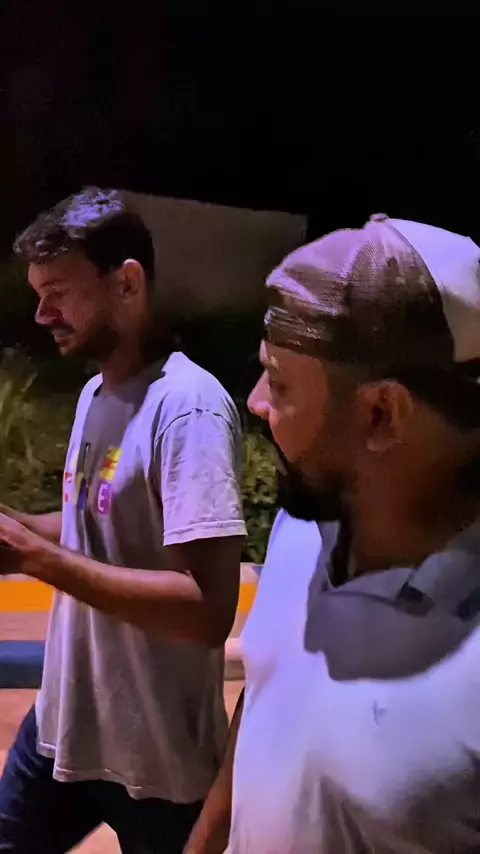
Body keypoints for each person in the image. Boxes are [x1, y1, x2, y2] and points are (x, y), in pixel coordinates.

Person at [184, 214, 480, 854]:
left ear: (381, 415)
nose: (255, 402)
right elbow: (268, 699)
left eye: (280, 383)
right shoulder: (305, 525)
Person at [0, 187, 246, 854]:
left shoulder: (187, 408)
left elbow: (208, 611)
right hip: (62, 731)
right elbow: (91, 522)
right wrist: (16, 528)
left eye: (58, 292)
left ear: (127, 284)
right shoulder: (96, 391)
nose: (41, 313)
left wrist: (36, 559)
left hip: (157, 764)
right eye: (37, 294)